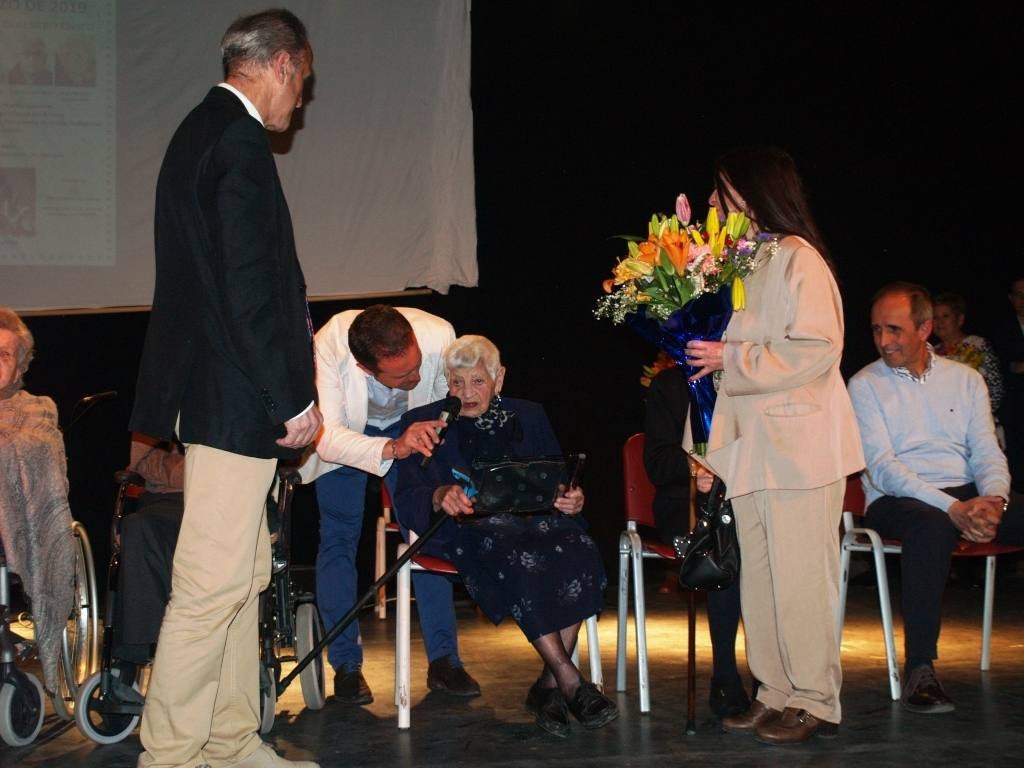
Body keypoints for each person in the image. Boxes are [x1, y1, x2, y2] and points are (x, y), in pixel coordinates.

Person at [128, 10, 322, 768]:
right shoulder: (237, 140)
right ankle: (171, 754)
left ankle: (231, 739)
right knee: (212, 584)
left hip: (218, 391)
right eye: (302, 82)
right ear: (282, 63)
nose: (300, 100)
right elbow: (247, 290)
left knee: (244, 575)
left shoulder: (199, 129)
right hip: (235, 395)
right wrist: (291, 398)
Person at [683, 146, 865, 745]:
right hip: (750, 449)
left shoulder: (798, 258)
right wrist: (703, 450)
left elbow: (818, 348)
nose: (711, 202)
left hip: (799, 448)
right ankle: (775, 691)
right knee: (759, 579)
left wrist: (731, 357)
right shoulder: (737, 263)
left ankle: (815, 698)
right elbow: (707, 367)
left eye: (721, 191)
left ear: (753, 191)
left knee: (801, 579)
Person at [393, 335, 617, 738]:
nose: (466, 393)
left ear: (499, 379)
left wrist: (571, 498)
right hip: (468, 529)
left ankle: (549, 686)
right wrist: (439, 495)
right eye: (457, 382)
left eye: (478, 381)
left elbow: (557, 482)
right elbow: (406, 497)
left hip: (536, 524)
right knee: (516, 553)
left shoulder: (528, 415)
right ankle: (569, 681)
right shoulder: (424, 423)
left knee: (580, 548)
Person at [848, 282, 1024, 714]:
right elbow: (884, 469)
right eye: (876, 330)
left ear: (924, 328)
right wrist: (954, 510)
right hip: (896, 499)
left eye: (894, 329)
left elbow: (987, 451)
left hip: (966, 495)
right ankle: (920, 668)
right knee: (931, 526)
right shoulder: (865, 384)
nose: (883, 341)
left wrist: (994, 502)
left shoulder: (965, 380)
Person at [299, 304, 480, 703]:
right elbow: (327, 436)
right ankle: (346, 666)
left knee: (427, 535)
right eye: (402, 376)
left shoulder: (438, 333)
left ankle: (444, 661)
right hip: (348, 433)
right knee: (339, 539)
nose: (414, 377)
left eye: (416, 366)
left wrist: (428, 435)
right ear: (366, 369)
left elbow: (444, 401)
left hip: (411, 423)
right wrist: (393, 447)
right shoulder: (329, 345)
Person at [642, 364, 750, 719]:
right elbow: (658, 462)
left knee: (757, 535)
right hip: (688, 507)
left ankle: (772, 678)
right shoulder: (670, 384)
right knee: (724, 542)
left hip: (748, 498)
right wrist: (696, 468)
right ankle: (725, 675)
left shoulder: (752, 374)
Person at [0, 306, 75, 698]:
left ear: (20, 366)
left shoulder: (37, 407)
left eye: (3, 355)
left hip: (19, 526)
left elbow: (38, 451)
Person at [932, 292, 1003, 414]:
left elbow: (995, 388)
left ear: (960, 319)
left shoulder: (978, 345)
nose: (940, 322)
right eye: (935, 317)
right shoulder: (930, 353)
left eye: (946, 316)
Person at [993, 276, 1024, 492]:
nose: (1023, 300)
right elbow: (1009, 366)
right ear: (1011, 299)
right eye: (1019, 295)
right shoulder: (1001, 330)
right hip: (1016, 410)